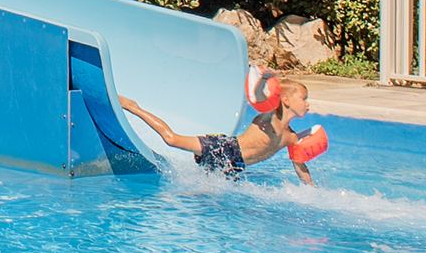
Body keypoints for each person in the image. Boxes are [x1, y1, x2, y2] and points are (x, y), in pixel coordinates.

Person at [116, 77, 328, 184]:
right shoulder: (270, 118)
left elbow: (300, 166)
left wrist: (312, 191)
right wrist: (264, 79)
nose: (308, 104)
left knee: (201, 194)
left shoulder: (290, 137)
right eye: (304, 98)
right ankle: (133, 106)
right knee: (171, 139)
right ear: (287, 100)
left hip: (234, 166)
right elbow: (261, 98)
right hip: (224, 148)